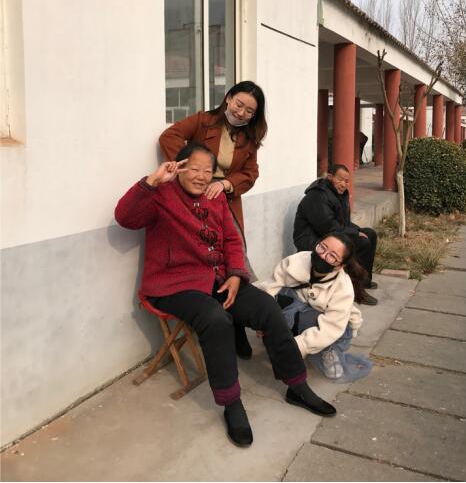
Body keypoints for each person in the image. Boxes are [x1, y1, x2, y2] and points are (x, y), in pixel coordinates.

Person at [115, 142, 336, 448]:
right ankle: (232, 403)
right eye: (194, 168)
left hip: (218, 279)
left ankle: (297, 385)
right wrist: (152, 181)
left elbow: (232, 240)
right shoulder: (161, 194)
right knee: (215, 319)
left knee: (267, 307)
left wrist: (235, 274)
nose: (201, 176)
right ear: (179, 167)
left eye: (207, 171)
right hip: (173, 285)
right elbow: (125, 217)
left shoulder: (214, 197)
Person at [159, 81, 267, 359]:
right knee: (210, 259)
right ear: (228, 98)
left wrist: (226, 184)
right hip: (196, 202)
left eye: (250, 111)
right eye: (239, 104)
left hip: (227, 203)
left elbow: (251, 173)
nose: (241, 113)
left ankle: (239, 326)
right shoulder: (203, 121)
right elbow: (169, 136)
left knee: (236, 261)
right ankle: (222, 323)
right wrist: (190, 170)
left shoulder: (249, 138)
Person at [256, 232, 373, 382]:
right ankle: (281, 336)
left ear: (339, 266)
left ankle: (329, 352)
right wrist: (263, 321)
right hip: (296, 306)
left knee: (316, 325)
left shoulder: (343, 288)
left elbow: (330, 328)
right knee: (279, 298)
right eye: (322, 247)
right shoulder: (295, 261)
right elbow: (270, 288)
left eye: (332, 256)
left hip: (327, 321)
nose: (323, 256)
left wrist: (297, 346)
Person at [293, 164, 378, 305]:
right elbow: (327, 227)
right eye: (340, 179)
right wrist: (355, 233)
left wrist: (358, 231)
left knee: (370, 234)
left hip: (328, 235)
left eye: (346, 181)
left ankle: (364, 281)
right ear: (330, 177)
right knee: (361, 243)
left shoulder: (338, 194)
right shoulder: (317, 196)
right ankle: (355, 290)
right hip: (313, 240)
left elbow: (343, 222)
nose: (344, 184)